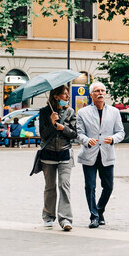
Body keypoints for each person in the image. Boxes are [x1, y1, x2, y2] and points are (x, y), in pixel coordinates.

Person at [76, 81, 125, 229]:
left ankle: (100, 209)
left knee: (108, 187)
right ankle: (94, 216)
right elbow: (79, 134)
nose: (100, 93)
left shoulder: (114, 112)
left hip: (107, 154)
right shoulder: (82, 113)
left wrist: (113, 139)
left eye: (102, 91)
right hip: (89, 154)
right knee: (90, 187)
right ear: (91, 95)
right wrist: (86, 140)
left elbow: (121, 132)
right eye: (97, 91)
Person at [37, 85, 78, 231]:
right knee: (50, 187)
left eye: (67, 94)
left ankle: (65, 219)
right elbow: (43, 135)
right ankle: (48, 216)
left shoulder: (70, 111)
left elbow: (74, 134)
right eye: (65, 94)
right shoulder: (44, 112)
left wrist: (62, 128)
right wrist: (52, 122)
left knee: (64, 185)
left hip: (65, 154)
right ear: (56, 96)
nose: (67, 97)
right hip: (48, 155)